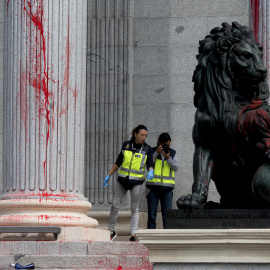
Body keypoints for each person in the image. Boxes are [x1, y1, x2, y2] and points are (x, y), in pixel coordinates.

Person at [103, 124, 154, 241]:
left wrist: (150, 171)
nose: (144, 138)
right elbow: (119, 161)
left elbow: (150, 163)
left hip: (137, 182)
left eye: (145, 135)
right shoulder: (126, 145)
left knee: (134, 208)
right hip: (122, 180)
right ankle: (111, 231)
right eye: (142, 135)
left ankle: (133, 234)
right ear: (135, 134)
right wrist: (108, 175)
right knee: (115, 205)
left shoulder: (147, 149)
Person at [146, 132, 179, 229]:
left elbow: (176, 168)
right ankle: (150, 239)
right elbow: (147, 162)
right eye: (164, 145)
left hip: (167, 189)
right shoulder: (152, 151)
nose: (166, 147)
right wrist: (156, 153)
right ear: (159, 143)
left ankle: (167, 238)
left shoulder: (172, 153)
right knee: (152, 216)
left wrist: (168, 158)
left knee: (167, 216)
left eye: (168, 145)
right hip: (152, 189)